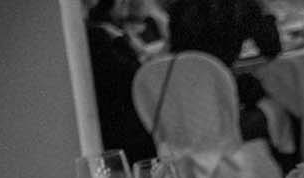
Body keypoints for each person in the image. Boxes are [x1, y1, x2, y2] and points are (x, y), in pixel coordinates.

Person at [167, 0, 284, 149]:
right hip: (222, 107)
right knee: (283, 98)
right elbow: (271, 48)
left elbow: (176, 52)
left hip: (183, 109)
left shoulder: (179, 7)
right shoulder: (240, 6)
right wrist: (265, 10)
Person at [87, 0, 160, 165]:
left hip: (121, 129)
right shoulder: (101, 37)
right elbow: (135, 76)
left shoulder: (106, 34)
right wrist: (123, 42)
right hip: (126, 133)